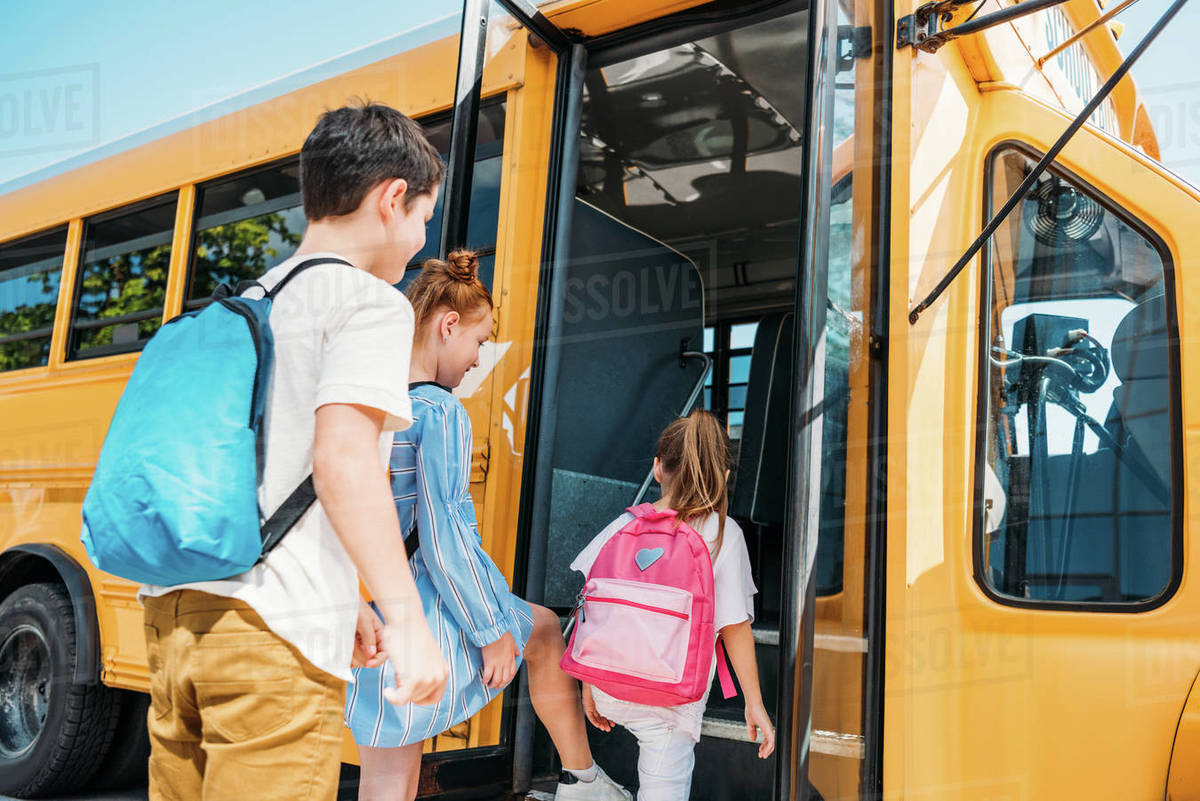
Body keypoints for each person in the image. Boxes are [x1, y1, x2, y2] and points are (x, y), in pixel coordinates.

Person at [139, 102, 449, 801]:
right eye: (424, 216)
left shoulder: (246, 301)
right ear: (391, 198)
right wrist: (405, 616)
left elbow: (270, 470)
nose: (423, 238)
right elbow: (343, 458)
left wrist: (352, 599)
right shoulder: (370, 302)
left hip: (175, 620)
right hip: (269, 641)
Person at [345, 250, 630, 801]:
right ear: (448, 325)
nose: (478, 360)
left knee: (387, 774)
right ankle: (586, 784)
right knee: (544, 633)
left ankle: (586, 784)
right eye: (480, 341)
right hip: (419, 610)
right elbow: (446, 536)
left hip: (369, 609)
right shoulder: (439, 411)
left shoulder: (368, 400)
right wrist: (490, 631)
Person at [571, 410, 776, 801]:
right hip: (670, 703)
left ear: (657, 469)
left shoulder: (623, 525)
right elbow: (734, 627)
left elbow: (592, 608)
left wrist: (589, 684)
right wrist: (754, 703)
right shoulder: (723, 534)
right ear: (725, 477)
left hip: (610, 688)